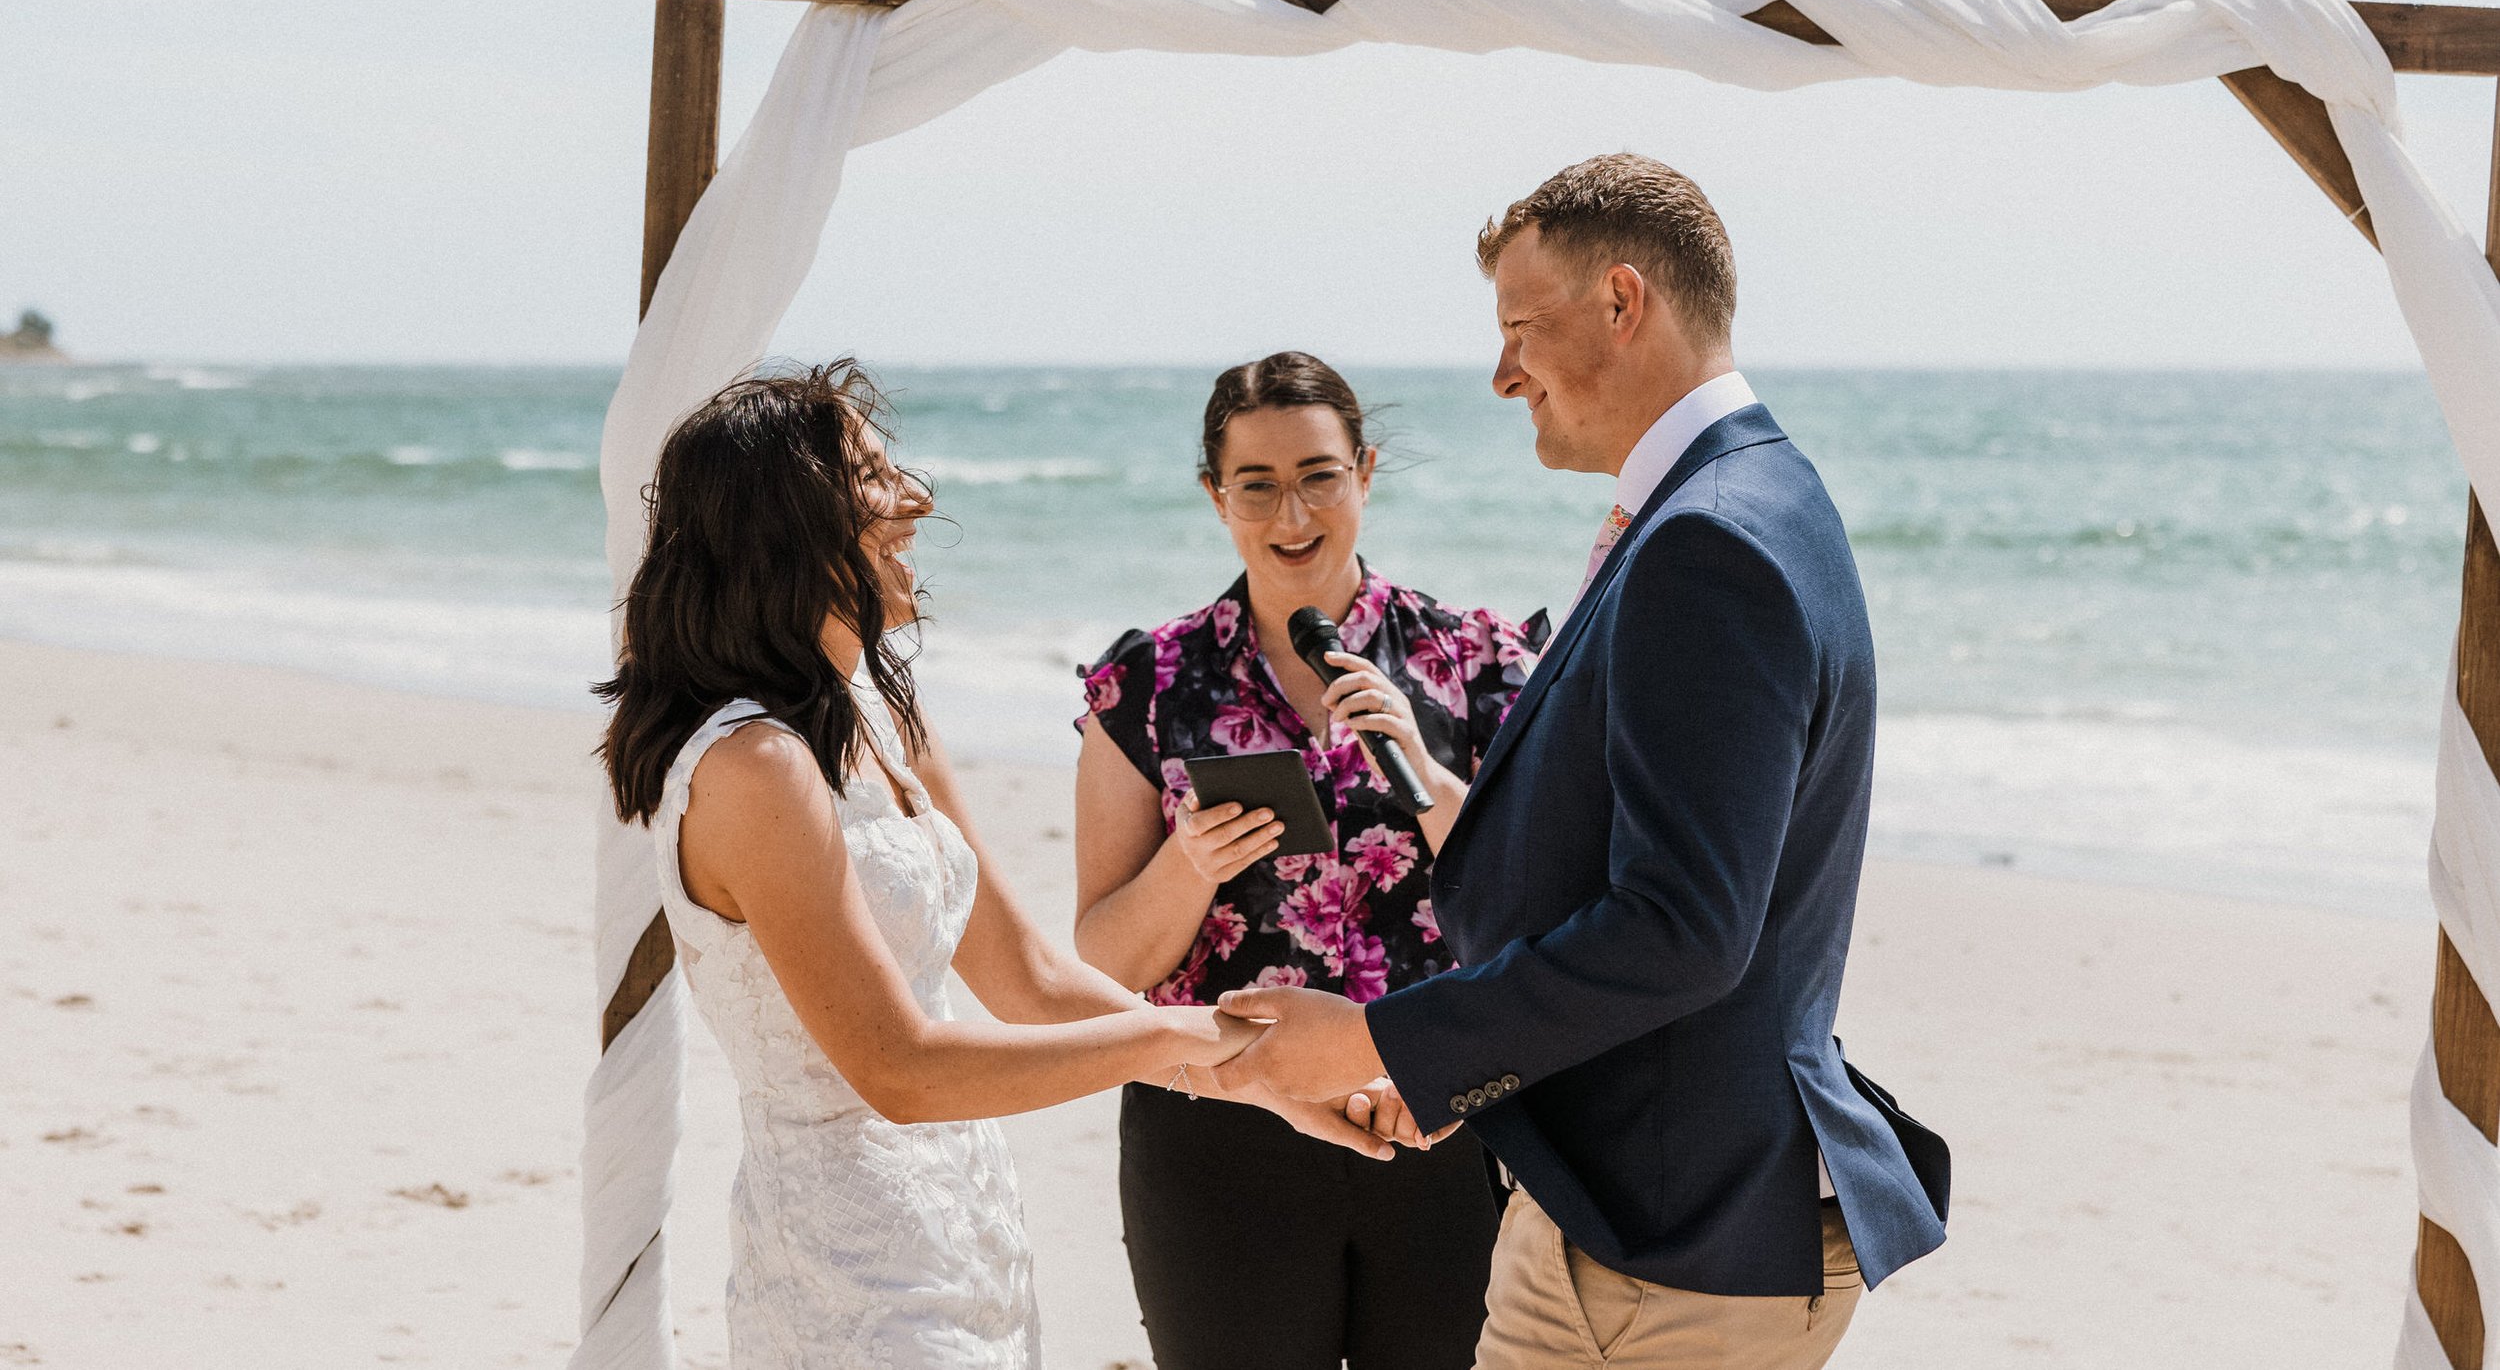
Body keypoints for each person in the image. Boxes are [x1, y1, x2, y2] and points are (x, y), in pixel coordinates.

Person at [1215, 158, 1952, 1370]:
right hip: (1678, 1212)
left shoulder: (1707, 541)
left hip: (1656, 1255)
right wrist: (1466, 1072)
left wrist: (1377, 1039)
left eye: (1519, 328)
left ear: (1621, 302)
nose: (1502, 373)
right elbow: (1617, 871)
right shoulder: (1762, 495)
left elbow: (1680, 929)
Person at [596, 362, 1391, 1370]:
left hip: (969, 1229)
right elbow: (900, 1069)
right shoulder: (754, 768)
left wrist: (1256, 1082)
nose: (917, 499)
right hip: (848, 1271)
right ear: (788, 519)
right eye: (874, 478)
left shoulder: (884, 719)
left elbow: (1029, 979)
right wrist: (1180, 1029)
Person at [1072, 351, 1546, 1370]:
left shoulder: (1476, 660)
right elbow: (1100, 962)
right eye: (1258, 483)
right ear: (1216, 495)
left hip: (1436, 1116)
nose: (1293, 511)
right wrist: (1187, 863)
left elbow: (1541, 907)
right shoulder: (1146, 683)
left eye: (1319, 474)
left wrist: (1422, 768)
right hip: (1215, 1130)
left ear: (1364, 472)